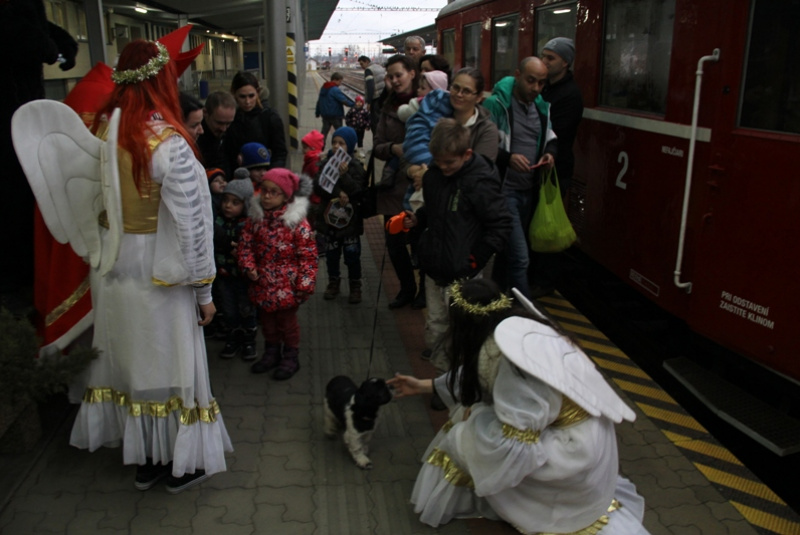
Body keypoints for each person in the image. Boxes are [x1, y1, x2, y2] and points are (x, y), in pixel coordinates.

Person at [65, 39, 233, 493]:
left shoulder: (105, 133)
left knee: (134, 364)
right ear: (162, 84)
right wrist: (204, 292)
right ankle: (180, 462)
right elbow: (194, 226)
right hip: (161, 272)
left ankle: (146, 461)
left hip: (114, 268)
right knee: (174, 366)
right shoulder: (170, 143)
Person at [388, 278, 649, 535]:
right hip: (590, 435)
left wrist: (473, 421)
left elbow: (515, 443)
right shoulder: (514, 328)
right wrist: (424, 386)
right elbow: (478, 375)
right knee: (468, 419)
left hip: (573, 450)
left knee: (462, 433)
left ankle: (516, 504)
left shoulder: (509, 361)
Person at [401, 119, 511, 375]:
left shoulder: (480, 182)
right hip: (435, 268)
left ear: (467, 154)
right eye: (438, 161)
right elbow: (434, 210)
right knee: (436, 323)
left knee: (461, 329)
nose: (443, 167)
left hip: (463, 272)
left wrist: (476, 259)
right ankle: (443, 373)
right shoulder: (434, 177)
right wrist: (418, 219)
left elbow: (501, 224)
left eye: (449, 162)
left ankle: (457, 379)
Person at [484, 56, 557, 299]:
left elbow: (550, 137)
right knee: (520, 257)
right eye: (530, 81)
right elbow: (483, 145)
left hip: (528, 191)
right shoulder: (496, 104)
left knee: (507, 254)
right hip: (504, 191)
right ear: (517, 75)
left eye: (541, 83)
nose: (536, 88)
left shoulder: (541, 107)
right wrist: (508, 158)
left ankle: (495, 300)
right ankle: (524, 310)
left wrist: (549, 153)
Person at [239, 168, 317, 380]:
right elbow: (245, 246)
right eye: (264, 190)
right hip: (262, 284)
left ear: (286, 196)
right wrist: (248, 266)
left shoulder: (297, 223)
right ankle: (271, 352)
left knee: (287, 325)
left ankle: (291, 356)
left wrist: (304, 285)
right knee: (268, 324)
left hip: (287, 288)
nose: (266, 196)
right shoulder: (255, 220)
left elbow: (308, 256)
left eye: (274, 192)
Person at [532, 37, 585, 298]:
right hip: (540, 166)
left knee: (548, 223)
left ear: (565, 62)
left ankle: (545, 281)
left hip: (555, 169)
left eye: (550, 58)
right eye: (543, 56)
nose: (545, 61)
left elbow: (555, 132)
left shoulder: (569, 95)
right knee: (536, 220)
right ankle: (536, 275)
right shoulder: (547, 88)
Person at [373, 54, 419, 309]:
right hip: (394, 186)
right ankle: (407, 288)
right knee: (394, 243)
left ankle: (424, 292)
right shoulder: (387, 107)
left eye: (398, 75)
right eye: (390, 77)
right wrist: (393, 148)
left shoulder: (428, 103)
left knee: (421, 243)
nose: (394, 80)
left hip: (422, 187)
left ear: (412, 73)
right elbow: (377, 146)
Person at [314, 127, 367, 304]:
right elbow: (318, 186)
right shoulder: (326, 163)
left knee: (352, 255)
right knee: (331, 255)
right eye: (334, 142)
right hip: (330, 222)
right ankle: (333, 282)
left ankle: (355, 284)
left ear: (349, 146)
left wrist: (344, 177)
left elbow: (358, 191)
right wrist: (338, 192)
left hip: (350, 223)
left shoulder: (355, 166)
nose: (337, 146)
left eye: (341, 143)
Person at [214, 178, 258, 361]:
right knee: (229, 309)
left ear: (245, 205)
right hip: (224, 276)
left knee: (246, 309)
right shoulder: (217, 221)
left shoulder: (248, 224)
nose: (228, 206)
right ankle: (233, 337)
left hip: (243, 278)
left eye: (235, 202)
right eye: (225, 200)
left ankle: (249, 340)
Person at [224, 71, 288, 172]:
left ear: (258, 92)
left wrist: (271, 176)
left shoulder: (270, 117)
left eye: (251, 96)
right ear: (234, 94)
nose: (247, 102)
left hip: (265, 175)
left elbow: (280, 153)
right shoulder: (230, 118)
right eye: (242, 97)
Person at [197, 91, 236, 173]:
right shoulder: (195, 138)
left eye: (228, 123)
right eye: (219, 123)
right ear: (205, 113)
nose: (224, 129)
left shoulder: (233, 132)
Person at [315, 72, 356, 150]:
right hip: (335, 115)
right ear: (334, 80)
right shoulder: (335, 89)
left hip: (325, 115)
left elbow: (319, 101)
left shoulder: (324, 88)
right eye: (340, 81)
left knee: (324, 133)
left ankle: (320, 148)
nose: (340, 83)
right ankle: (340, 148)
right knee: (341, 133)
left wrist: (317, 112)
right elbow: (343, 100)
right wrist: (354, 105)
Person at [357, 55, 386, 132]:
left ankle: (376, 137)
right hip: (383, 96)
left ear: (367, 62)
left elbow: (370, 86)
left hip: (375, 98)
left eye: (362, 64)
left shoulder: (368, 70)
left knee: (375, 121)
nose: (361, 66)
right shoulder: (379, 67)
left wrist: (369, 102)